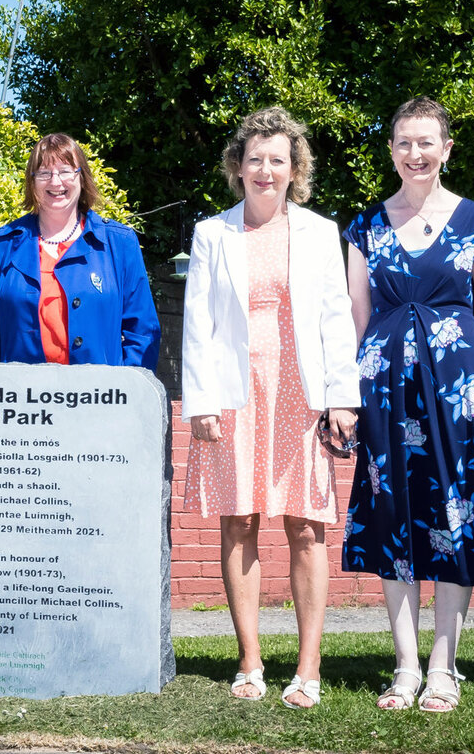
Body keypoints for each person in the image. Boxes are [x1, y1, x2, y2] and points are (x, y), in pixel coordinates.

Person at [182, 107, 359, 710]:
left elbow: (336, 318)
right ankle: (250, 661)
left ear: (294, 168)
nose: (265, 169)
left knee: (306, 525)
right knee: (239, 520)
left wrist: (342, 399)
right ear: (239, 166)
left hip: (299, 391)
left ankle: (309, 667)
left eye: (277, 159)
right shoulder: (212, 233)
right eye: (254, 158)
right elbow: (199, 323)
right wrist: (200, 401)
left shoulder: (319, 231)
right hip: (234, 392)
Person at [341, 97, 474, 714]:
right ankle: (406, 666)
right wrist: (347, 400)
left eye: (427, 142)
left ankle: (445, 666)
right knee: (394, 517)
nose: (416, 153)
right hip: (383, 390)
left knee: (454, 515)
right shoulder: (363, 227)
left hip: (457, 392)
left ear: (446, 149)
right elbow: (356, 318)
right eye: (404, 143)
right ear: (391, 151)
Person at [0, 133, 159, 368]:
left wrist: (126, 394)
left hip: (100, 398)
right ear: (32, 181)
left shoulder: (119, 243)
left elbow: (142, 331)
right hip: (20, 399)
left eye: (66, 171)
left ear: (81, 177)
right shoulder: (4, 243)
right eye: (44, 173)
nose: (55, 182)